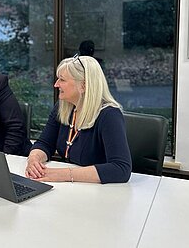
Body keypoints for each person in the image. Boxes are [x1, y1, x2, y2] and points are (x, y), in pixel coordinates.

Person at [25, 54, 131, 184]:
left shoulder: (109, 115)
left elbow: (121, 169)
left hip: (99, 194)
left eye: (62, 80)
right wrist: (34, 159)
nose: (56, 84)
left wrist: (63, 175)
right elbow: (44, 143)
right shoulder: (63, 107)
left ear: (84, 86)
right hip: (72, 189)